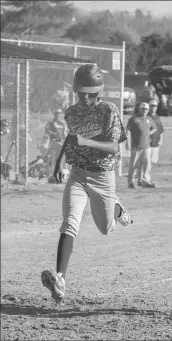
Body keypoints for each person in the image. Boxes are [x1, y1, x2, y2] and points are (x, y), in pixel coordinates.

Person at [40, 64, 132, 304]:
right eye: (82, 92)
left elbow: (113, 147)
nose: (86, 97)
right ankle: (59, 280)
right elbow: (71, 138)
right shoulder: (72, 112)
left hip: (103, 177)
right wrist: (59, 163)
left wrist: (86, 141)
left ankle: (117, 207)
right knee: (69, 223)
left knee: (106, 228)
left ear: (99, 90)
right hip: (78, 175)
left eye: (91, 92)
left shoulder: (109, 111)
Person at [126, 102, 157, 189]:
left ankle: (144, 181)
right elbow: (127, 129)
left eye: (146, 109)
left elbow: (154, 128)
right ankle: (131, 182)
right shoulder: (134, 118)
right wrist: (127, 142)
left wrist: (148, 133)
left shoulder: (149, 119)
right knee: (133, 165)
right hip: (136, 146)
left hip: (146, 146)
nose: (144, 111)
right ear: (140, 109)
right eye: (143, 109)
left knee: (146, 165)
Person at [43, 109, 68, 179]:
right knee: (50, 158)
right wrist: (54, 134)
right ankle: (49, 173)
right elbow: (47, 130)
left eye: (59, 113)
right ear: (55, 114)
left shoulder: (62, 123)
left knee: (59, 158)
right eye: (57, 113)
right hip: (53, 142)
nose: (58, 115)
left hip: (60, 143)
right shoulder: (51, 122)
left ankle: (58, 173)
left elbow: (65, 133)